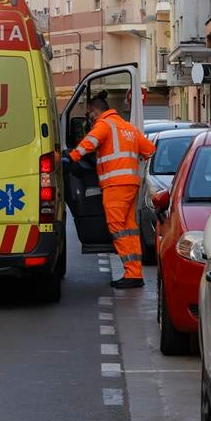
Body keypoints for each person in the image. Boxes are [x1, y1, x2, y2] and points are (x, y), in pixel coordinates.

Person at [67, 97, 155, 288]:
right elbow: (149, 149)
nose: (89, 117)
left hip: (115, 185)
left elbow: (88, 143)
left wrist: (70, 157)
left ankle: (132, 274)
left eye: (89, 113)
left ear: (96, 112)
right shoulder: (128, 127)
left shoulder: (104, 125)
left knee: (117, 227)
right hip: (131, 184)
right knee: (130, 228)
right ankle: (135, 272)